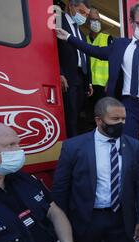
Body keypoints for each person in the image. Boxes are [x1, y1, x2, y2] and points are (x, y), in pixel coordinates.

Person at [56, 3, 139, 187]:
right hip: (128, 106)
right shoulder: (120, 45)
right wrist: (70, 38)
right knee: (128, 149)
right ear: (131, 22)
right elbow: (95, 51)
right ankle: (132, 187)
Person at [52, 97, 139, 242]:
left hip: (120, 219)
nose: (121, 123)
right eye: (115, 119)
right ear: (99, 120)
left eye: (124, 119)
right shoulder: (73, 147)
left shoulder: (133, 146)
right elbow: (60, 189)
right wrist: (62, 226)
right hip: (87, 220)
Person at [57, 0, 93, 138]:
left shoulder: (81, 33)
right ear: (71, 6)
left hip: (81, 77)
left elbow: (86, 57)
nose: (84, 16)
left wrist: (89, 81)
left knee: (79, 115)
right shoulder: (58, 21)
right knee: (70, 116)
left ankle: (77, 142)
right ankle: (72, 146)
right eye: (82, 12)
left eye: (86, 14)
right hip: (68, 76)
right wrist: (59, 73)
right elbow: (51, 47)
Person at [83, 7, 114, 132]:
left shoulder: (108, 39)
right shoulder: (83, 40)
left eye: (97, 20)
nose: (95, 22)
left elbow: (115, 61)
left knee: (103, 116)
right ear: (87, 22)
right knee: (90, 117)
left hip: (103, 86)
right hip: (88, 85)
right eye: (92, 20)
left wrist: (110, 81)